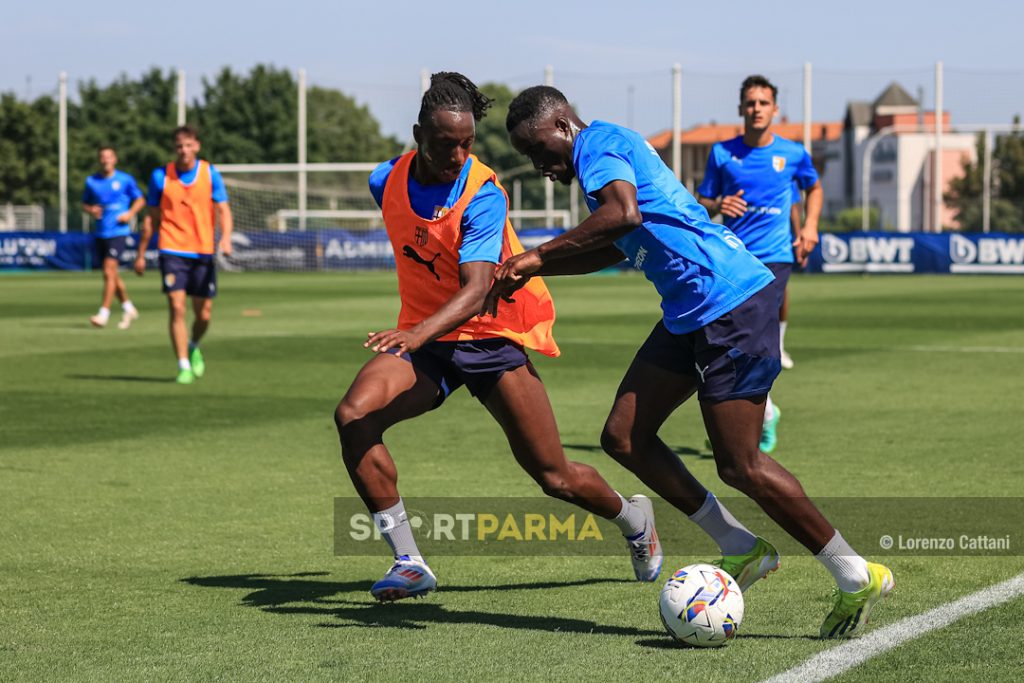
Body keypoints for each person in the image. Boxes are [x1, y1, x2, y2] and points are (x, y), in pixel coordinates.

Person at [488, 85, 892, 639]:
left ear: (561, 125)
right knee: (624, 436)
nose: (538, 166)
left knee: (741, 464)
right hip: (689, 311)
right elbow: (616, 243)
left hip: (730, 303)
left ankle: (856, 575)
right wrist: (533, 270)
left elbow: (622, 216)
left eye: (537, 150)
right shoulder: (599, 157)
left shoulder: (598, 146)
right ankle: (740, 547)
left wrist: (534, 254)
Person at [332, 72, 660, 603]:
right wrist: (419, 333)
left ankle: (632, 518)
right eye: (445, 144)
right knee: (353, 417)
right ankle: (409, 561)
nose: (458, 154)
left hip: (488, 335)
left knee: (553, 476)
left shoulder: (484, 192)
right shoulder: (383, 180)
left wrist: (415, 334)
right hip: (430, 342)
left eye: (467, 143)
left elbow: (475, 288)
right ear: (418, 134)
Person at [696, 75, 822, 453]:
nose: (756, 109)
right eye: (750, 103)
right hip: (734, 258)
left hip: (774, 257)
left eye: (763, 103)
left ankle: (756, 418)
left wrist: (810, 227)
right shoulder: (721, 153)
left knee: (754, 343)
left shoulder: (794, 153)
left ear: (774, 110)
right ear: (741, 109)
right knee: (731, 342)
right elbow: (702, 201)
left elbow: (812, 188)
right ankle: (757, 415)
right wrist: (718, 205)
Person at [134, 126, 233, 384]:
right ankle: (182, 365)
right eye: (179, 146)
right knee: (177, 307)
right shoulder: (160, 176)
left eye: (188, 145)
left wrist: (226, 238)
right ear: (174, 148)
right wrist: (142, 253)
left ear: (197, 146)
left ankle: (193, 344)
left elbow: (223, 209)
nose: (184, 150)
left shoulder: (209, 173)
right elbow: (151, 217)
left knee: (204, 314)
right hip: (171, 248)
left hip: (202, 251)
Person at [82, 146, 145, 329]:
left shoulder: (125, 180)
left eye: (109, 156)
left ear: (115, 159)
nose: (105, 160)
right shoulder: (91, 181)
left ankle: (104, 313)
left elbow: (140, 200)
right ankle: (128, 307)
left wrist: (130, 214)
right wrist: (91, 210)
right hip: (101, 231)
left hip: (119, 232)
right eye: (102, 157)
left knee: (109, 271)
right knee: (111, 274)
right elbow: (85, 204)